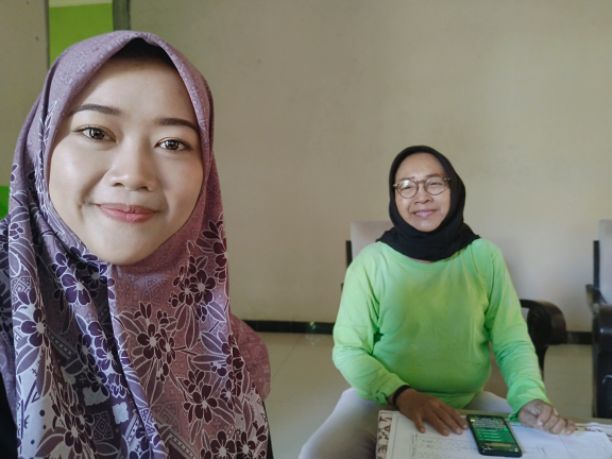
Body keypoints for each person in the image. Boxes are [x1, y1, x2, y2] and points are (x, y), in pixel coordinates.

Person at [0, 31, 271, 458]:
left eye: (172, 143)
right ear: (42, 145)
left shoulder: (221, 349)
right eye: (96, 132)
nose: (134, 174)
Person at [299, 145, 574, 459]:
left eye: (434, 183)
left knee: (546, 447)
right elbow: (350, 349)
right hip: (382, 398)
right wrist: (403, 395)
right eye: (406, 186)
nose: (421, 196)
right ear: (394, 196)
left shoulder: (483, 257)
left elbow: (511, 340)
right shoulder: (371, 263)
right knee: (317, 454)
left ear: (453, 189)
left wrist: (529, 397)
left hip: (465, 401)